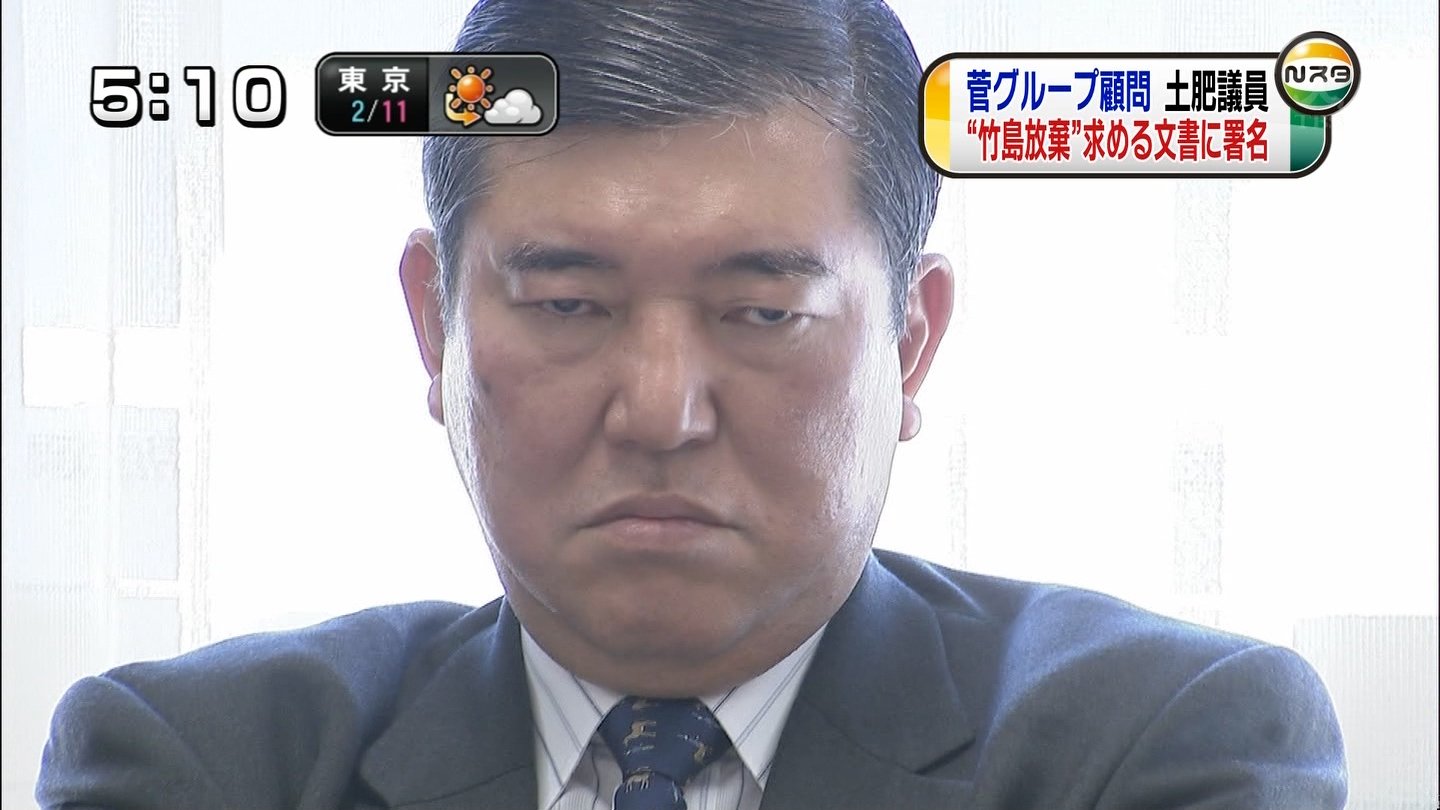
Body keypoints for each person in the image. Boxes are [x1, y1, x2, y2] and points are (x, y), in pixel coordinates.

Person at [36, 1, 1347, 808]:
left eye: (763, 312)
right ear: (434, 323)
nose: (662, 412)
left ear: (912, 340)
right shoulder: (209, 763)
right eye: (568, 302)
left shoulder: (1158, 746)